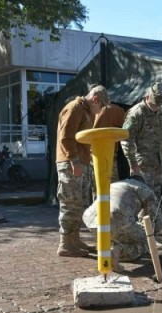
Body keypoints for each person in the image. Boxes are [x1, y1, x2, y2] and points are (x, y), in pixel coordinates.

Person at [55, 85, 109, 257]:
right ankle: (65, 244)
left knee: (78, 203)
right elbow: (66, 137)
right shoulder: (75, 108)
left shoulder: (84, 110)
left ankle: (74, 240)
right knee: (70, 203)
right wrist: (74, 161)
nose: (99, 111)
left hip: (79, 162)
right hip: (70, 164)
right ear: (95, 99)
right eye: (100, 107)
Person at [121, 82, 162, 244]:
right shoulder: (136, 113)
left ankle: (151, 235)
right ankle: (143, 236)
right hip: (142, 164)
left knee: (154, 198)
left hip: (157, 162)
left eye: (159, 104)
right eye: (154, 104)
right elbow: (125, 139)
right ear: (147, 97)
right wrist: (132, 164)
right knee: (144, 199)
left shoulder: (160, 111)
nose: (157, 107)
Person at [82, 175, 162, 273]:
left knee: (119, 233)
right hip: (116, 218)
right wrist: (153, 235)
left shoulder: (116, 184)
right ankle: (117, 251)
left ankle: (108, 248)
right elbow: (155, 216)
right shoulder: (144, 189)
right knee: (146, 242)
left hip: (91, 219)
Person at [93, 102, 127, 182]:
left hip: (92, 153)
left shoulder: (90, 108)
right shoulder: (117, 110)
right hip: (109, 153)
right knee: (111, 184)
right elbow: (126, 130)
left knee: (95, 183)